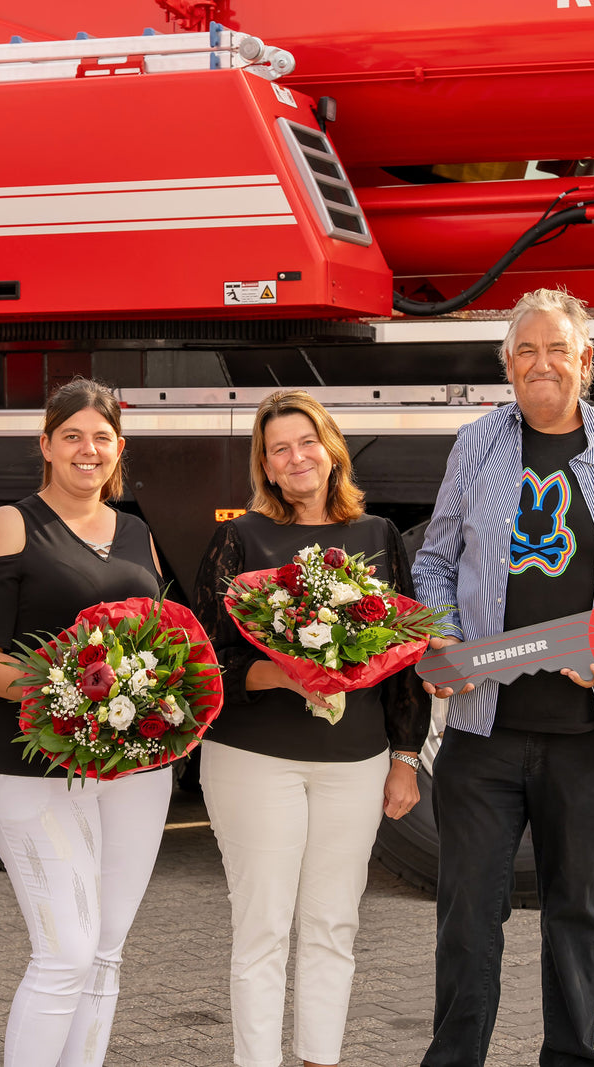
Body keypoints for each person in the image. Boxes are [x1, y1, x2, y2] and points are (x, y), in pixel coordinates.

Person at [413, 288, 594, 1067]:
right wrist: (443, 634)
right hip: (484, 733)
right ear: (508, 363)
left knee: (575, 912)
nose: (543, 363)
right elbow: (435, 560)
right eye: (527, 350)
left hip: (588, 732)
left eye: (558, 349)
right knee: (468, 916)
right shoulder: (476, 445)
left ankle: (571, 1057)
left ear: (585, 360)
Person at [192, 389, 430, 1067]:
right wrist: (286, 673)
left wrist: (406, 756)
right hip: (255, 760)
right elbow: (205, 660)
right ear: (265, 466)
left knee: (334, 924)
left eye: (307, 442)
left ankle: (320, 1059)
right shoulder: (241, 538)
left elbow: (405, 654)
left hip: (354, 762)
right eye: (279, 449)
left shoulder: (378, 536)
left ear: (331, 450)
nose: (296, 458)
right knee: (262, 927)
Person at [0, 378, 171, 1067]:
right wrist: (75, 695)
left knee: (104, 953)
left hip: (135, 767)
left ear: (119, 449)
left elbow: (163, 637)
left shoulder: (137, 531)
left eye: (102, 437)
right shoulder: (12, 524)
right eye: (72, 436)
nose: (88, 449)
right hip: (32, 763)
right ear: (45, 445)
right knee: (65, 952)